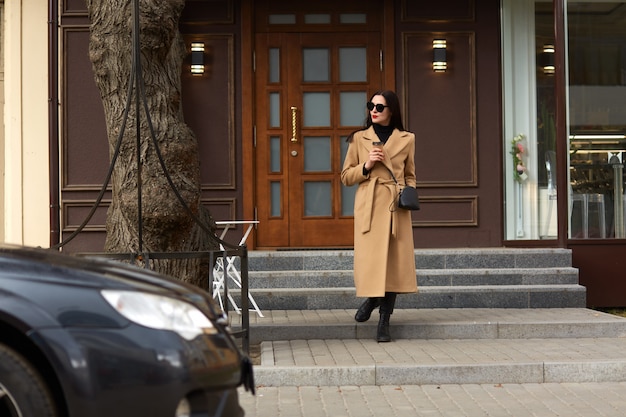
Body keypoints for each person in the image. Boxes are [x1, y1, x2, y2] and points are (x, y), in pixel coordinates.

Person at [340, 90, 418, 342]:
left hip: (396, 207)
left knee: (393, 265)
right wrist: (367, 166)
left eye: (380, 107)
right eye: (370, 105)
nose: (373, 110)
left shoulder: (407, 139)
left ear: (391, 111)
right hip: (370, 206)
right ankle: (372, 297)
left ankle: (384, 320)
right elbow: (346, 177)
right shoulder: (358, 139)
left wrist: (409, 192)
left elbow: (410, 175)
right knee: (374, 263)